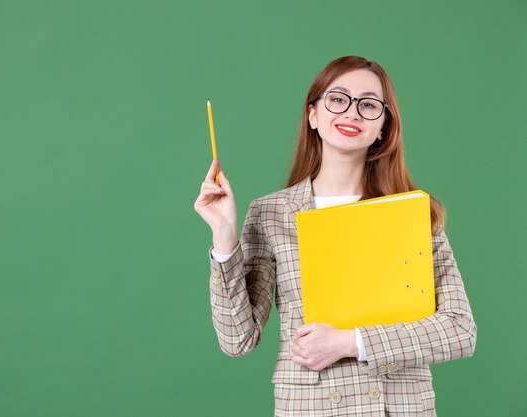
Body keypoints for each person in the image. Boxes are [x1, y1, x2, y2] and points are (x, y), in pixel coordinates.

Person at [193, 55, 477, 417]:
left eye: (369, 105)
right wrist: (224, 237)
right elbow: (237, 340)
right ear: (313, 114)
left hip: (398, 408)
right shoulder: (270, 213)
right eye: (338, 98)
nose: (352, 112)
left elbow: (460, 331)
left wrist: (350, 342)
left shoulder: (413, 214)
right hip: (311, 408)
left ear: (384, 128)